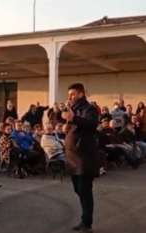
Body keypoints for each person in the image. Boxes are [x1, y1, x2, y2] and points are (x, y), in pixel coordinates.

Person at [62, 83, 99, 233]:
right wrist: (67, 127)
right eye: (69, 94)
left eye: (72, 94)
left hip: (84, 157)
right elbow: (74, 126)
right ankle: (85, 218)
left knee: (85, 190)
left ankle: (87, 222)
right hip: (72, 157)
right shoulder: (74, 110)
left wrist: (74, 118)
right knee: (78, 189)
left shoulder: (88, 109)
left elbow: (91, 124)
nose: (69, 97)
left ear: (81, 94)